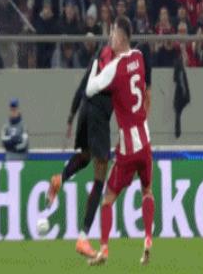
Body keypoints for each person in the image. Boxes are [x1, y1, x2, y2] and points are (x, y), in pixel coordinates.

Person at [46, 34, 152, 259]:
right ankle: (83, 238)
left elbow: (83, 86)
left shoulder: (100, 55)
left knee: (85, 156)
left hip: (85, 110)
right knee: (100, 179)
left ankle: (60, 178)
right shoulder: (120, 64)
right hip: (99, 116)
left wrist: (71, 117)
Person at [86, 16, 153, 266]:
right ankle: (148, 239)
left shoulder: (114, 68)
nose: (110, 37)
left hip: (128, 147)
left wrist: (96, 64)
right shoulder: (139, 57)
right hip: (145, 140)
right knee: (147, 191)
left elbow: (90, 89)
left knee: (108, 199)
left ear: (122, 37)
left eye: (113, 33)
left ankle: (104, 249)